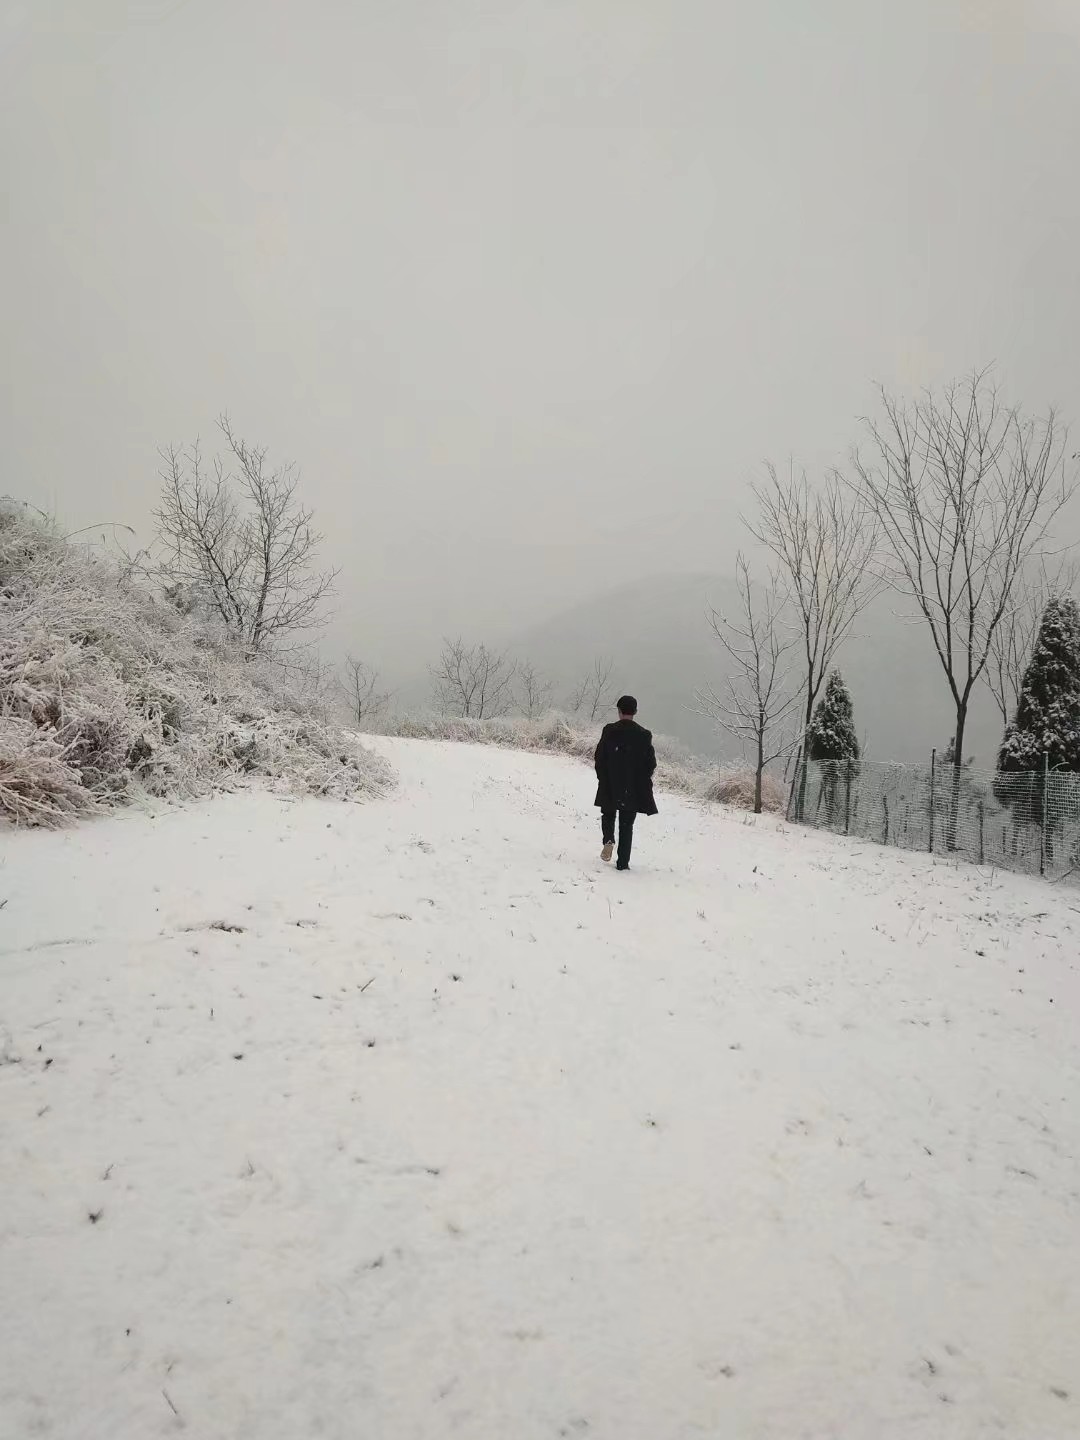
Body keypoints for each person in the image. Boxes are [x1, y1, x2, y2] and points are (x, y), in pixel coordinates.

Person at [594, 695, 658, 871]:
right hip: (632, 787)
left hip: (610, 782)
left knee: (608, 814)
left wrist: (603, 777)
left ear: (619, 711)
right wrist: (641, 779)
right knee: (626, 824)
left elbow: (599, 757)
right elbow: (650, 764)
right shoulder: (644, 735)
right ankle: (623, 863)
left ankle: (608, 839)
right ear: (635, 712)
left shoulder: (609, 730)